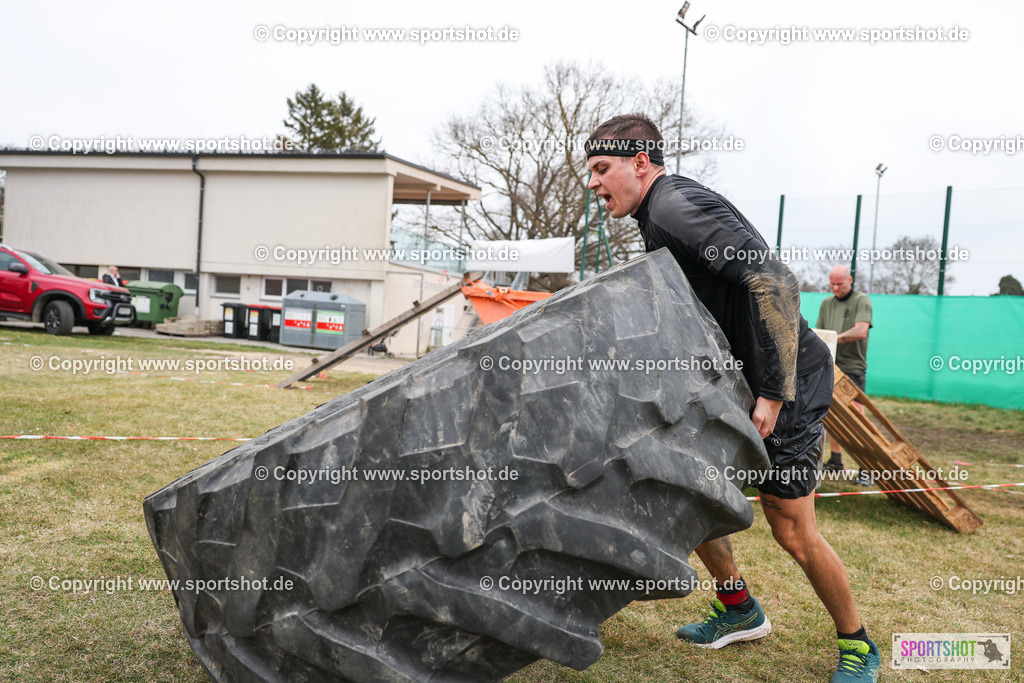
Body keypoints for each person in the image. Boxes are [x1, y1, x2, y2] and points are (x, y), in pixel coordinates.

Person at [584, 113, 880, 682]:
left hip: (785, 387)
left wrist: (773, 393)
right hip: (737, 387)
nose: (594, 184)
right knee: (690, 494)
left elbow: (775, 282)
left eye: (602, 169)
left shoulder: (672, 208)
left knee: (792, 528)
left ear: (639, 162)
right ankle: (738, 608)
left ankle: (859, 646)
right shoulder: (657, 213)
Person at [817, 265, 873, 485]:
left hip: (852, 367)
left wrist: (834, 339)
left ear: (850, 280)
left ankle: (866, 467)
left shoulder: (862, 301)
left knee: (857, 419)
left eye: (840, 283)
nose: (835, 287)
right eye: (832, 283)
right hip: (830, 366)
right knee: (828, 414)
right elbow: (819, 334)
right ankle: (836, 460)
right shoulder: (826, 303)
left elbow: (861, 331)